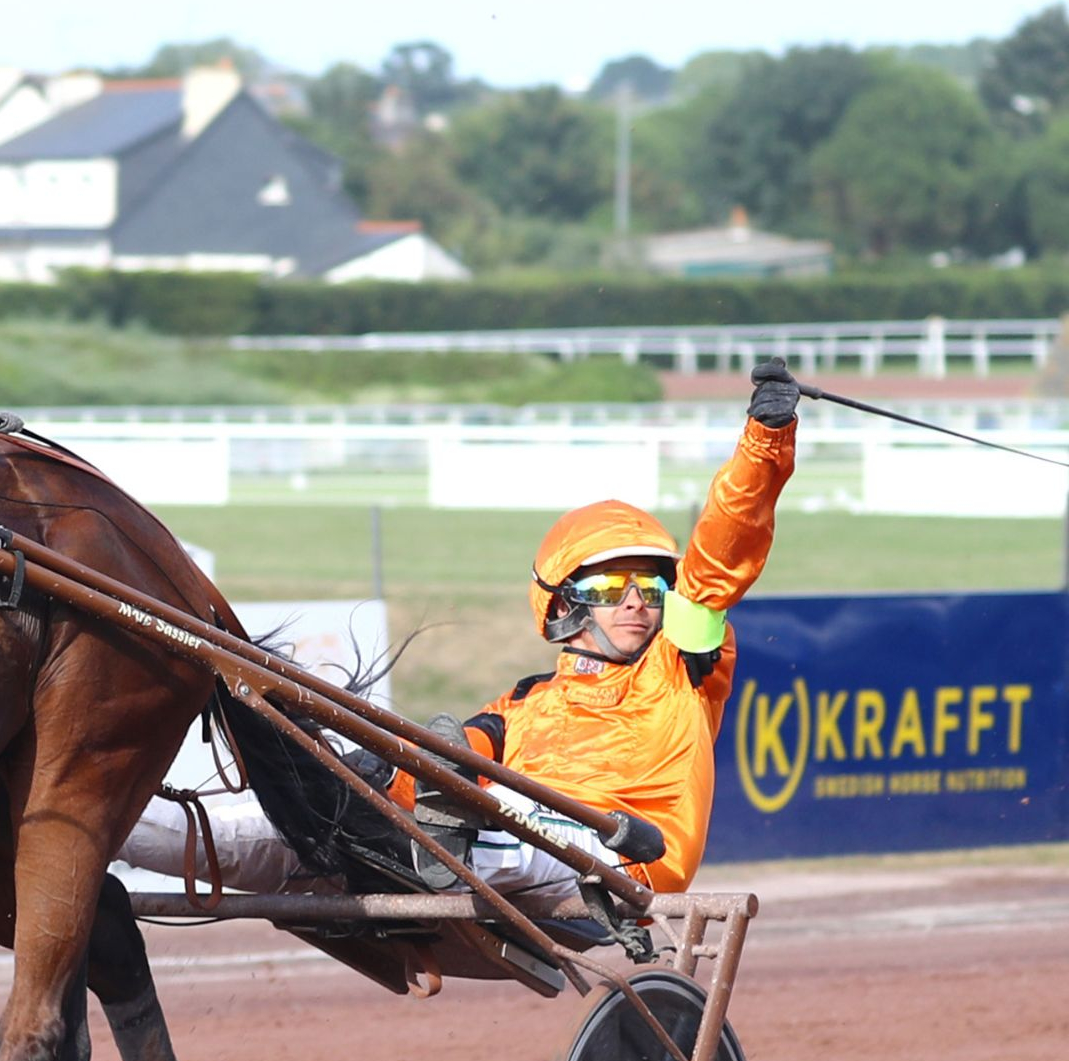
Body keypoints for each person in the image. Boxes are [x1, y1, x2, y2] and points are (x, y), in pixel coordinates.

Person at [122, 356, 801, 909]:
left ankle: (434, 840)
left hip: (620, 857)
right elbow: (449, 762)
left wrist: (763, 442)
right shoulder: (522, 706)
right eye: (607, 589)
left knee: (480, 828)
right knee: (292, 825)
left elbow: (718, 556)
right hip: (490, 834)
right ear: (562, 605)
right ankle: (94, 826)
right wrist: (376, 772)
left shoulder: (685, 664)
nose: (637, 605)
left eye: (650, 589)